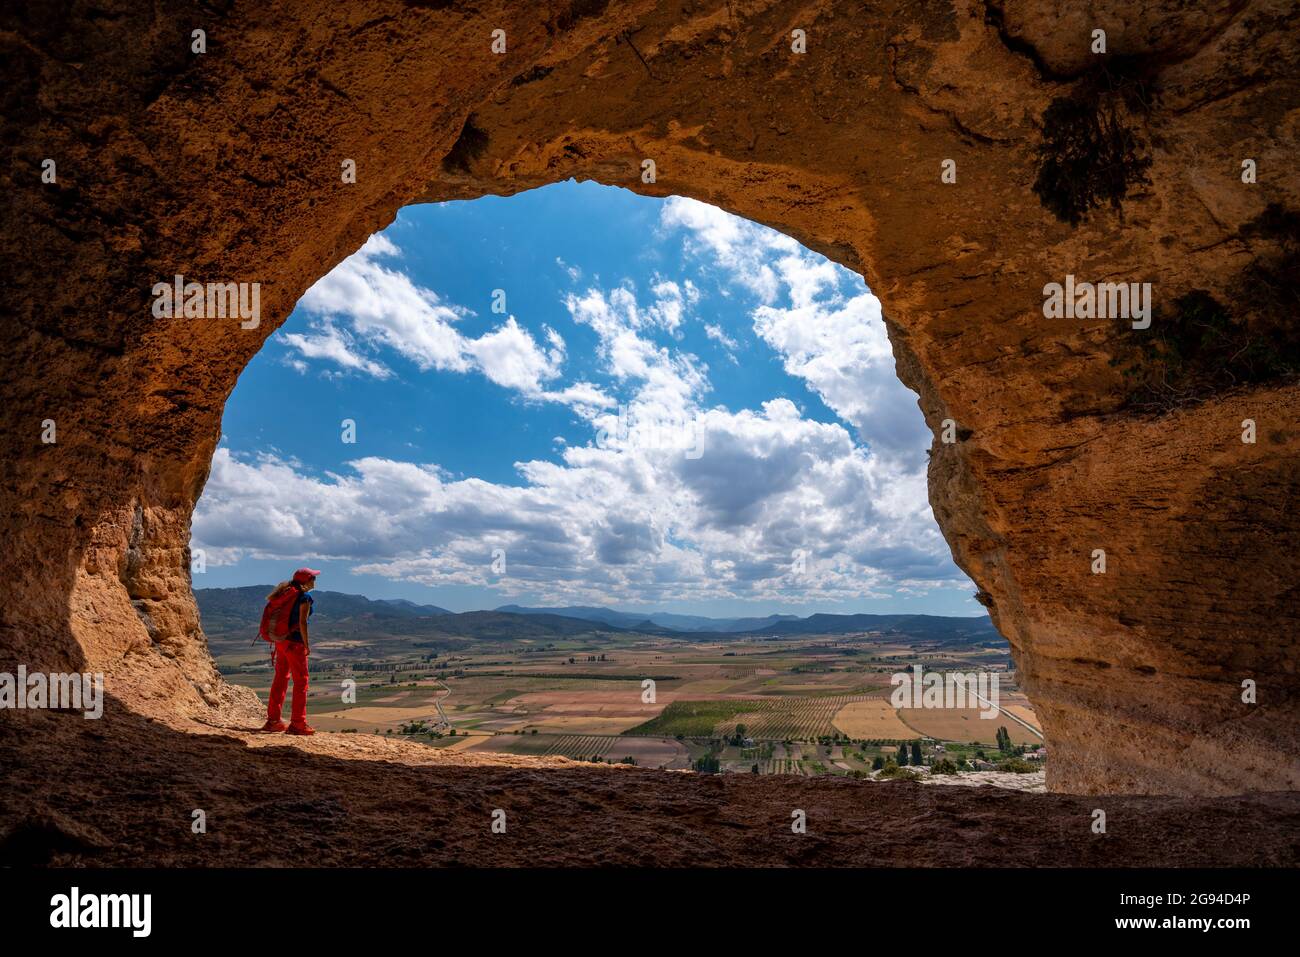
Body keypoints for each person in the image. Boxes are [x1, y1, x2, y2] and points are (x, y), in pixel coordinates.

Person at [260, 567, 320, 734]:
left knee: (280, 679)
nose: (315, 581)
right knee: (301, 683)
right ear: (306, 581)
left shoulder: (285, 594)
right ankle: (298, 724)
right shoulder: (305, 598)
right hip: (295, 644)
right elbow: (303, 622)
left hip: (282, 642)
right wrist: (306, 644)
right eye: (313, 578)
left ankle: (273, 721)